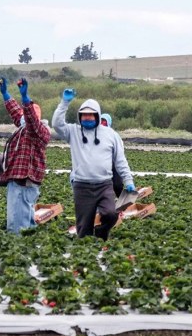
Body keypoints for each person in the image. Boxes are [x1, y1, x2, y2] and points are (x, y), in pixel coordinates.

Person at [52, 89, 136, 240]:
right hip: (82, 187)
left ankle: (101, 235)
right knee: (83, 228)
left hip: (104, 185)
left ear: (97, 115)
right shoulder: (73, 132)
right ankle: (87, 253)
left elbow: (120, 161)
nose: (87, 117)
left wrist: (128, 180)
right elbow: (57, 124)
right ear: (80, 116)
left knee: (110, 214)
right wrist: (64, 102)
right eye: (84, 115)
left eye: (91, 114)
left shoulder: (111, 135)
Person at [0, 77, 51, 234]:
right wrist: (6, 94)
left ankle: (20, 252)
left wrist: (26, 98)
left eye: (26, 115)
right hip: (17, 181)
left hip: (24, 183)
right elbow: (17, 113)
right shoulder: (23, 128)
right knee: (25, 221)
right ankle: (29, 248)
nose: (22, 118)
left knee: (17, 225)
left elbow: (30, 119)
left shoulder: (40, 131)